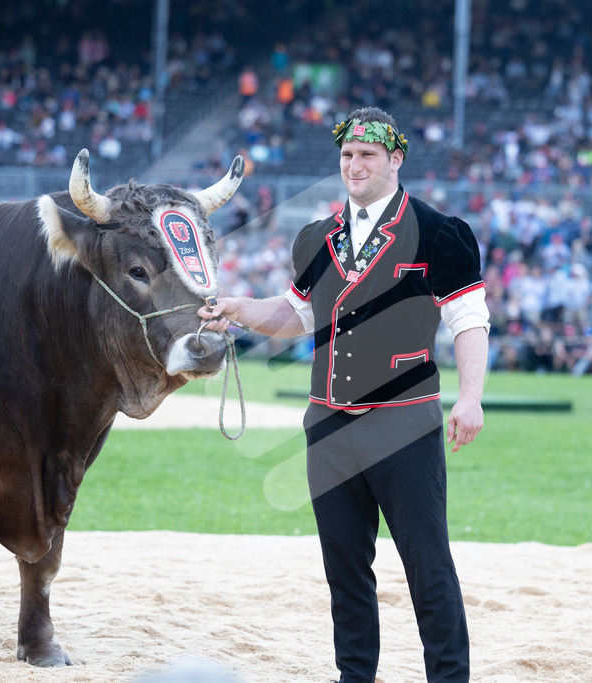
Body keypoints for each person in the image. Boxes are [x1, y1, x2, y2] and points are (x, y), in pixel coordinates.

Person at [198, 106, 488, 682]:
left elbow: (469, 320)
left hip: (403, 425)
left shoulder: (438, 232)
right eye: (348, 155)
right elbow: (297, 314)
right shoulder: (317, 237)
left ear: (395, 159)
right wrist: (240, 310)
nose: (354, 165)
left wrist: (470, 397)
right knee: (345, 571)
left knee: (428, 568)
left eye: (367, 155)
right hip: (328, 427)